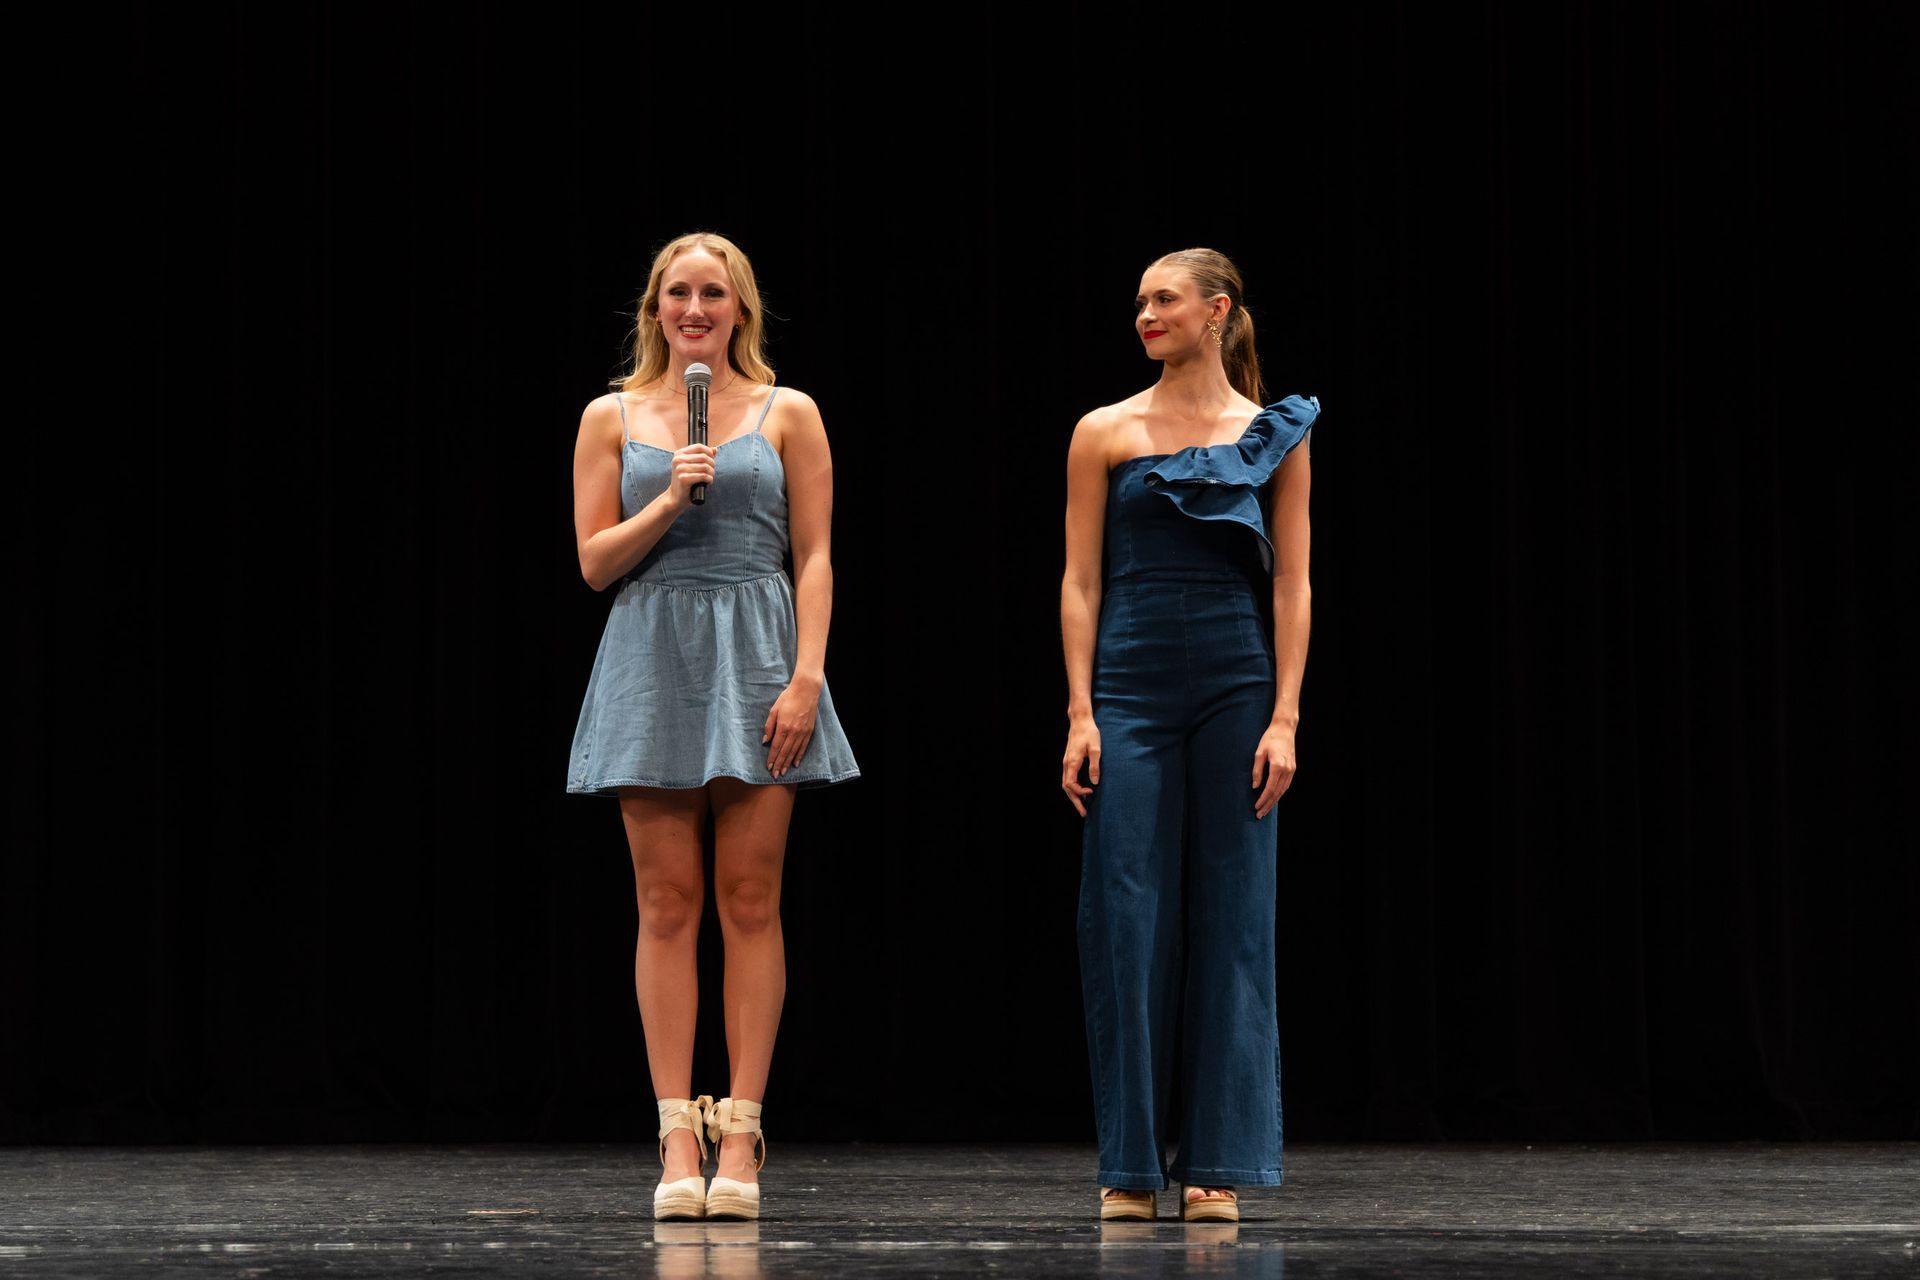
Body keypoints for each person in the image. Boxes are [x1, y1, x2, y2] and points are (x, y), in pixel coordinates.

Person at [566, 232, 859, 1221]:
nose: (697, 308)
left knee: (748, 895)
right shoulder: (611, 416)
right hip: (651, 654)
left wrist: (807, 672)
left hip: (759, 655)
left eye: (714, 293)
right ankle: (675, 1134)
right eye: (679, 292)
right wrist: (670, 498)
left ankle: (740, 1128)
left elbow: (815, 553)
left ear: (741, 308)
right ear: (655, 306)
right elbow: (595, 562)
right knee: (665, 900)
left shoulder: (792, 412)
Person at [1060, 247, 1318, 1223]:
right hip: (1127, 681)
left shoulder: (1274, 433)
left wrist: (1286, 715)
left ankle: (1218, 1159)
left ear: (1218, 311)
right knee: (1123, 912)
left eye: (1163, 299)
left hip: (1237, 679)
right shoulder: (1103, 430)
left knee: (1235, 914)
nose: (1144, 314)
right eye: (1138, 302)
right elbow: (1080, 579)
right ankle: (1129, 1160)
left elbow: (1292, 580)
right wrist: (1081, 709)